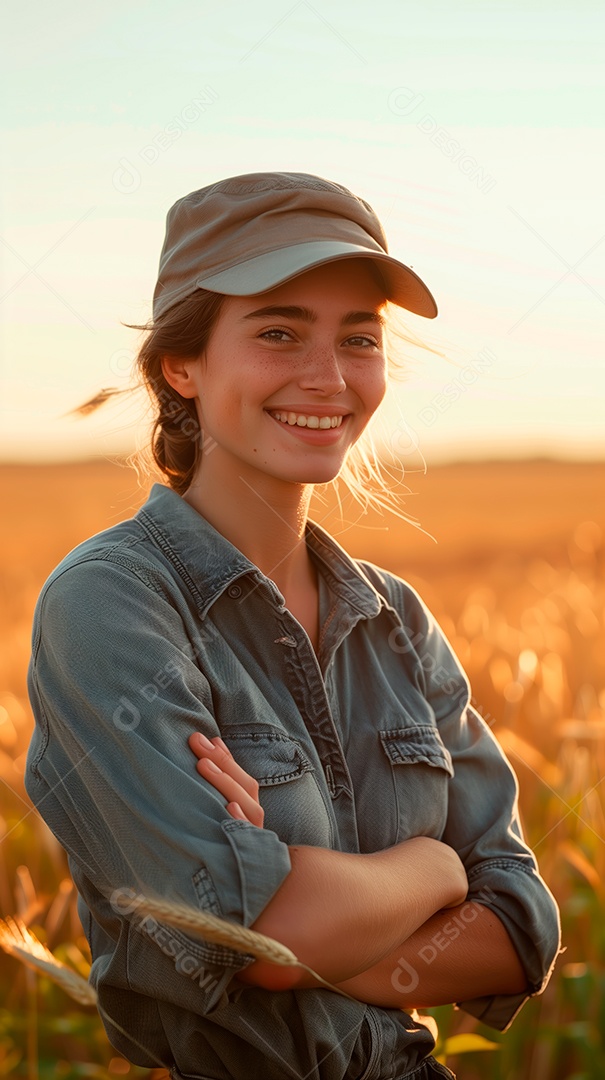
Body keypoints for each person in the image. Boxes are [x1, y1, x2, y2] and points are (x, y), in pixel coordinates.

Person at [25, 172, 561, 1080]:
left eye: (359, 339)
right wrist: (431, 870)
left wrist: (306, 918)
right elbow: (251, 934)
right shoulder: (110, 603)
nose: (329, 377)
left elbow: (519, 927)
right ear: (180, 364)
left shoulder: (396, 618)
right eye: (278, 332)